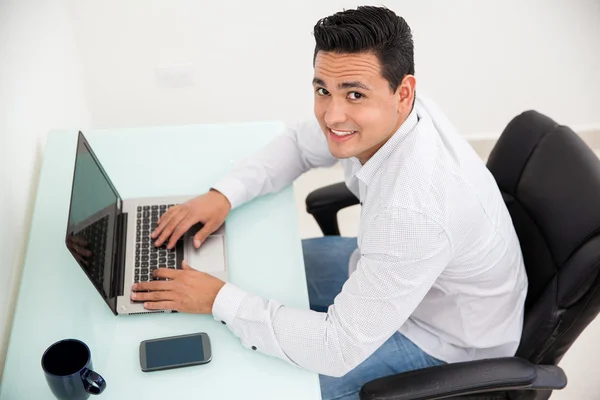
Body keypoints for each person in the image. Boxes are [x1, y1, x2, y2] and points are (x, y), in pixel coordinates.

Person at [131, 6, 528, 400]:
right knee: (257, 269)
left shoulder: (414, 211)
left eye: (354, 94)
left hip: (444, 338)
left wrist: (217, 299)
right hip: (398, 271)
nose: (332, 115)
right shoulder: (397, 112)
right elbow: (298, 144)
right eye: (323, 90)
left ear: (403, 92)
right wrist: (223, 195)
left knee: (273, 388)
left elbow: (334, 348)